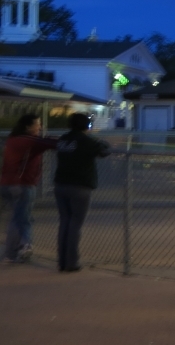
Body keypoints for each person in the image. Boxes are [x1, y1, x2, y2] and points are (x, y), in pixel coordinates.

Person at [53, 113, 110, 272]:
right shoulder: (86, 141)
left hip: (61, 184)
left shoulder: (63, 140)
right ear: (86, 126)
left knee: (64, 221)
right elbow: (105, 151)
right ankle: (72, 262)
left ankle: (62, 261)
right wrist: (102, 143)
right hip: (80, 187)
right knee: (75, 224)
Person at [1, 114, 58, 262]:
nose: (40, 127)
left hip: (6, 184)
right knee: (24, 219)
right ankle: (25, 245)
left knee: (17, 217)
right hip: (23, 185)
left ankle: (11, 251)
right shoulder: (30, 141)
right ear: (28, 127)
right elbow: (52, 144)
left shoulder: (12, 140)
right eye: (37, 124)